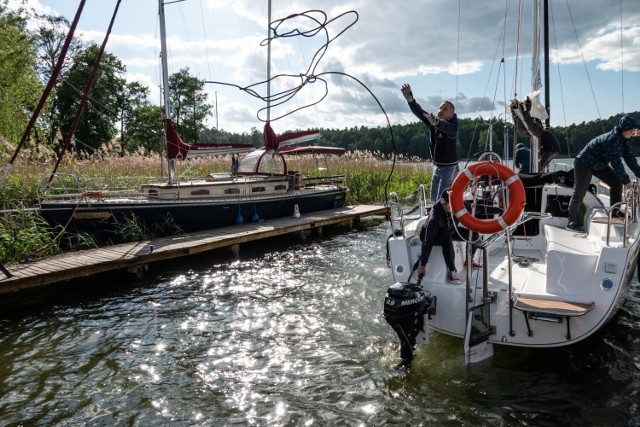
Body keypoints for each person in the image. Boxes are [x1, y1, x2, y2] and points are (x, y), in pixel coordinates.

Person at [567, 115, 640, 231]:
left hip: (598, 164)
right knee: (579, 192)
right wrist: (627, 182)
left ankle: (615, 212)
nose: (633, 133)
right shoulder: (612, 139)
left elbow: (630, 159)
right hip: (584, 163)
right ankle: (572, 222)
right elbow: (616, 163)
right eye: (632, 131)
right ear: (625, 129)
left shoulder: (623, 140)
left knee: (616, 182)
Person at [401, 84, 459, 202]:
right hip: (437, 167)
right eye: (440, 108)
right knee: (434, 199)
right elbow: (420, 112)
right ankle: (435, 217)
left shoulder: (453, 126)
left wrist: (437, 123)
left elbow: (448, 128)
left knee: (442, 201)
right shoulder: (432, 122)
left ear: (451, 115)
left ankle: (446, 218)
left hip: (449, 168)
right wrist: (410, 100)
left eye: (445, 109)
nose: (441, 111)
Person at [417, 190, 461, 284]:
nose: (447, 206)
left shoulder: (458, 206)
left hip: (447, 229)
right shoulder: (435, 218)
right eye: (444, 203)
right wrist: (423, 264)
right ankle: (452, 270)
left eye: (449, 203)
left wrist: (498, 211)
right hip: (430, 235)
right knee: (447, 237)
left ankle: (470, 259)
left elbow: (476, 208)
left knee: (472, 232)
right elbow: (428, 240)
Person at [510, 97, 561, 171]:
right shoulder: (532, 134)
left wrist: (528, 108)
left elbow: (530, 123)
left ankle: (538, 175)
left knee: (540, 165)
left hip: (552, 149)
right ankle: (515, 110)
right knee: (522, 132)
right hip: (545, 147)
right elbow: (521, 126)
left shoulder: (539, 132)